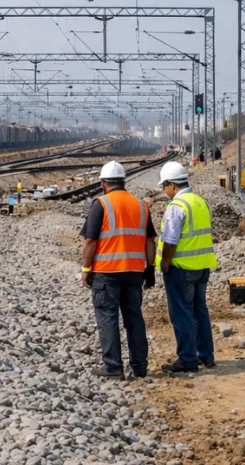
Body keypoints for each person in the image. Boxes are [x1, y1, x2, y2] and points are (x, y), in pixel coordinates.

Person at [80, 161, 157, 379]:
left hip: (107, 272)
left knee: (107, 317)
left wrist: (85, 269)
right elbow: (150, 241)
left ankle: (113, 367)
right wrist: (150, 268)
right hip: (134, 272)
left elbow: (90, 242)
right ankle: (140, 367)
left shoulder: (101, 204)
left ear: (103, 184)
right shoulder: (141, 206)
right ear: (124, 182)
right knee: (134, 318)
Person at [157, 161, 218, 374]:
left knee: (181, 312)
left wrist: (165, 263)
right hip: (202, 267)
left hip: (181, 268)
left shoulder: (177, 206)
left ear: (172, 185)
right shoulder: (200, 202)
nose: (164, 191)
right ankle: (206, 355)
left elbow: (170, 240)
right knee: (200, 311)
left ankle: (187, 359)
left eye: (164, 186)